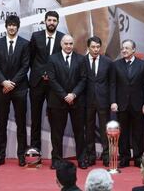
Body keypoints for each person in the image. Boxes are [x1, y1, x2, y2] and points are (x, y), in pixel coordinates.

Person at [0, 15, 30, 166]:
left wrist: (12, 83)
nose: (12, 27)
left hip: (19, 88)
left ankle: (21, 156)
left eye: (14, 25)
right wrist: (4, 82)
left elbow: (25, 66)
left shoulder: (25, 44)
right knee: (1, 123)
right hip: (1, 89)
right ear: (6, 27)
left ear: (18, 27)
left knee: (21, 123)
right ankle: (0, 156)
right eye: (9, 25)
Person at [47, 34, 87, 169]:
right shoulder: (52, 59)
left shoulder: (81, 59)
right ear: (61, 44)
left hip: (77, 101)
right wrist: (65, 95)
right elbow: (51, 80)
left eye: (71, 43)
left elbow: (83, 79)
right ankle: (56, 160)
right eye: (66, 44)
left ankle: (82, 159)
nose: (69, 46)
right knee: (57, 133)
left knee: (80, 132)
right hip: (58, 101)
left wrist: (73, 94)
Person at [29, 11, 65, 151]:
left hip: (54, 85)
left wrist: (51, 75)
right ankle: (35, 150)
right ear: (45, 21)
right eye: (49, 20)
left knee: (55, 119)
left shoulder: (62, 38)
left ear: (57, 22)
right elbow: (31, 59)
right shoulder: (36, 36)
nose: (51, 22)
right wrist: (41, 73)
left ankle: (56, 152)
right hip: (37, 83)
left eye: (54, 20)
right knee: (35, 118)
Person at [113, 39, 144, 168]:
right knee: (122, 133)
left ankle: (138, 157)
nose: (124, 50)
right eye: (123, 48)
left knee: (138, 132)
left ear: (134, 50)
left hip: (138, 104)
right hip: (121, 104)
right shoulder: (116, 65)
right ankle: (124, 157)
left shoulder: (143, 65)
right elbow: (113, 85)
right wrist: (113, 101)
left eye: (127, 48)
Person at [84, 36, 115, 167]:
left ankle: (106, 155)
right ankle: (90, 156)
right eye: (93, 47)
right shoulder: (82, 61)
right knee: (89, 130)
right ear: (88, 47)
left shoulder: (108, 62)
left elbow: (112, 83)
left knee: (105, 130)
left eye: (98, 47)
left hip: (104, 101)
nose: (96, 49)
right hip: (87, 101)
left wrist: (112, 101)